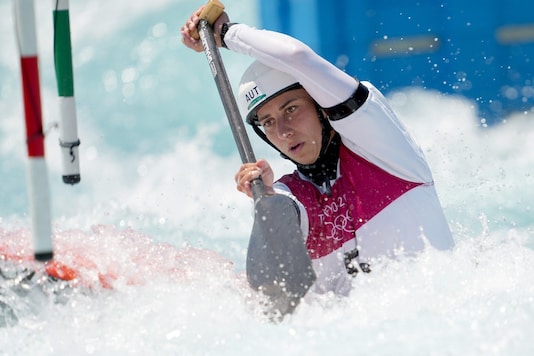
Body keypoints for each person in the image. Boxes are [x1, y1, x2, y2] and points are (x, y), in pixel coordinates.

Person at [181, 5, 454, 296]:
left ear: (321, 106)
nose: (284, 131)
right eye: (269, 122)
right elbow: (276, 278)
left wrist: (226, 33)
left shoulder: (384, 148)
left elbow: (296, 58)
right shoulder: (288, 195)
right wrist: (268, 202)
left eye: (292, 109)